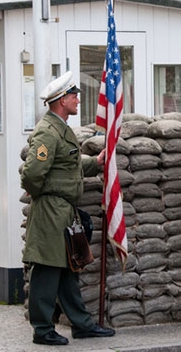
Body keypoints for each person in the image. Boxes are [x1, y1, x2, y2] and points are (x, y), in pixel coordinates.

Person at [21, 72, 115, 346]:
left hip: (63, 210)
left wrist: (95, 163)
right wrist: (39, 192)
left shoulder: (60, 129)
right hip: (50, 210)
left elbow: (67, 163)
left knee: (67, 270)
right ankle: (42, 329)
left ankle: (82, 325)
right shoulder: (48, 132)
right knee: (47, 269)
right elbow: (32, 173)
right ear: (62, 100)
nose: (78, 99)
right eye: (74, 95)